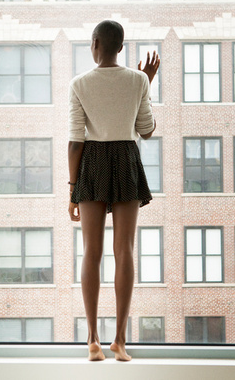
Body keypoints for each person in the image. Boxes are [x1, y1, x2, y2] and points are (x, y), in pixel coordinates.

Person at [67, 20, 159, 362]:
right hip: (125, 160)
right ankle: (119, 341)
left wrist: (72, 190)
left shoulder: (79, 84)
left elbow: (76, 141)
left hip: (91, 162)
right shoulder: (138, 80)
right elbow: (146, 130)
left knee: (91, 252)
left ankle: (92, 341)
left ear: (95, 44)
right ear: (120, 47)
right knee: (125, 251)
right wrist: (145, 85)